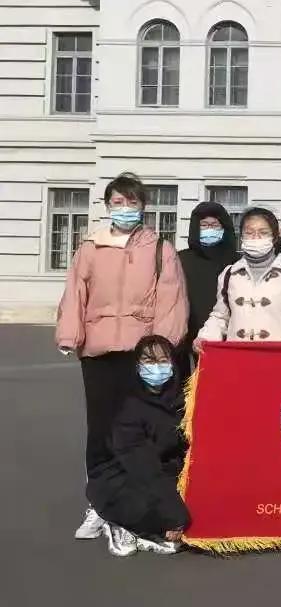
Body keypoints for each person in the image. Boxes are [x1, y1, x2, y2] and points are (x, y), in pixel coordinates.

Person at [56, 172, 188, 542]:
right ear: (107, 205)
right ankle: (98, 504)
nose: (125, 209)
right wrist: (70, 335)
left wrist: (160, 349)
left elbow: (171, 300)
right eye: (118, 202)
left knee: (139, 432)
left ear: (143, 207)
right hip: (98, 351)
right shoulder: (89, 248)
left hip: (139, 353)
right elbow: (74, 294)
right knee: (100, 430)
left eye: (132, 203)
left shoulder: (160, 249)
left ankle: (137, 504)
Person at [86, 334, 190, 557]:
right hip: (122, 475)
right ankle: (119, 525)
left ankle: (153, 529)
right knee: (147, 507)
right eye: (149, 361)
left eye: (163, 361)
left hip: (161, 471)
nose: (157, 367)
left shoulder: (180, 401)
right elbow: (143, 466)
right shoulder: (128, 408)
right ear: (137, 366)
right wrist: (175, 516)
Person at [196, 207, 281, 346]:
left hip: (279, 360)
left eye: (263, 233)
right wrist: (205, 337)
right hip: (239, 359)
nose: (256, 237)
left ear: (274, 237)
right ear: (242, 236)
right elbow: (220, 316)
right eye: (249, 232)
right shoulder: (229, 274)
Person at [177, 202, 239, 384]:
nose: (209, 229)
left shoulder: (236, 260)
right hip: (190, 338)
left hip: (228, 336)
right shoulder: (182, 259)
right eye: (204, 225)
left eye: (215, 225)